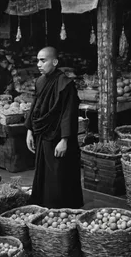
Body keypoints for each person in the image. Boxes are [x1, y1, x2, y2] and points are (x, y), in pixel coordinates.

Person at [24, 46, 83, 209]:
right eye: (37, 60)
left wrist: (64, 140)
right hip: (43, 134)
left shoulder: (65, 84)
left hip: (58, 136)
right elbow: (34, 106)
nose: (39, 64)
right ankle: (43, 206)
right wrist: (29, 130)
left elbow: (68, 113)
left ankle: (61, 208)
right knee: (43, 171)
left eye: (43, 60)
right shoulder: (40, 81)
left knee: (59, 173)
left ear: (55, 62)